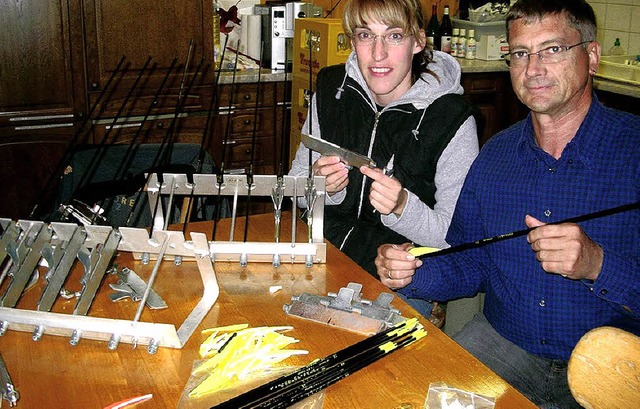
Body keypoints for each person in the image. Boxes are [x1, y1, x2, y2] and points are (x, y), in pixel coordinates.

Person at [375, 0, 640, 407]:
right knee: (407, 395)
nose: (533, 68)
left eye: (552, 49)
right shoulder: (495, 156)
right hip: (504, 346)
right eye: (520, 53)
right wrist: (411, 271)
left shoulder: (633, 150)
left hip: (618, 365)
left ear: (591, 56)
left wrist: (598, 264)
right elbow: (471, 260)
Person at [288, 0, 480, 318]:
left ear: (418, 41)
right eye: (366, 35)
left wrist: (403, 206)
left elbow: (455, 237)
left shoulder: (452, 119)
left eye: (393, 36)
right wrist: (322, 189)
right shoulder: (331, 90)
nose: (378, 54)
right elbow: (297, 188)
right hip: (324, 255)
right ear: (352, 42)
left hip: (396, 280)